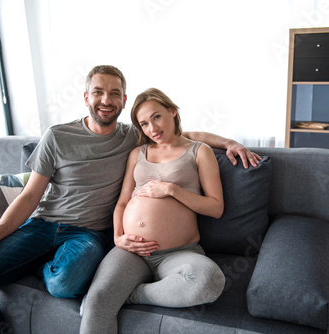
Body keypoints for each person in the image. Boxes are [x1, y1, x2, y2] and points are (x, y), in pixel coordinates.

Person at [0, 65, 260, 333]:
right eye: (98, 92)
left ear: (123, 101)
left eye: (115, 93)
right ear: (86, 97)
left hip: (97, 238)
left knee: (68, 284)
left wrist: (229, 142)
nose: (106, 100)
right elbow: (31, 195)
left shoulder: (132, 137)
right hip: (51, 227)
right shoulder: (61, 137)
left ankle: (88, 279)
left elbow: (180, 136)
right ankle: (44, 264)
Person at [80, 88, 228, 334]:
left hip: (178, 254)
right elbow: (122, 203)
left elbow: (216, 208)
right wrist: (119, 237)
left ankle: (134, 294)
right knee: (96, 302)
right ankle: (119, 293)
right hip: (131, 251)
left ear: (173, 111)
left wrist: (172, 190)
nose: (152, 128)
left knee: (209, 282)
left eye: (156, 117)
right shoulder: (137, 154)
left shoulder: (199, 151)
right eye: (144, 124)